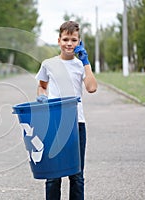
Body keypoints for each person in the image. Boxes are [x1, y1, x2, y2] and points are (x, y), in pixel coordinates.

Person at [35, 21, 97, 200]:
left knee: (76, 175)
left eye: (73, 40)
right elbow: (42, 86)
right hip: (54, 123)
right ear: (59, 40)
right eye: (66, 39)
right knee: (53, 176)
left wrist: (86, 62)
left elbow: (91, 88)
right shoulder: (48, 64)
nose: (69, 43)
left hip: (76, 123)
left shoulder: (80, 65)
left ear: (79, 42)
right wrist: (42, 96)